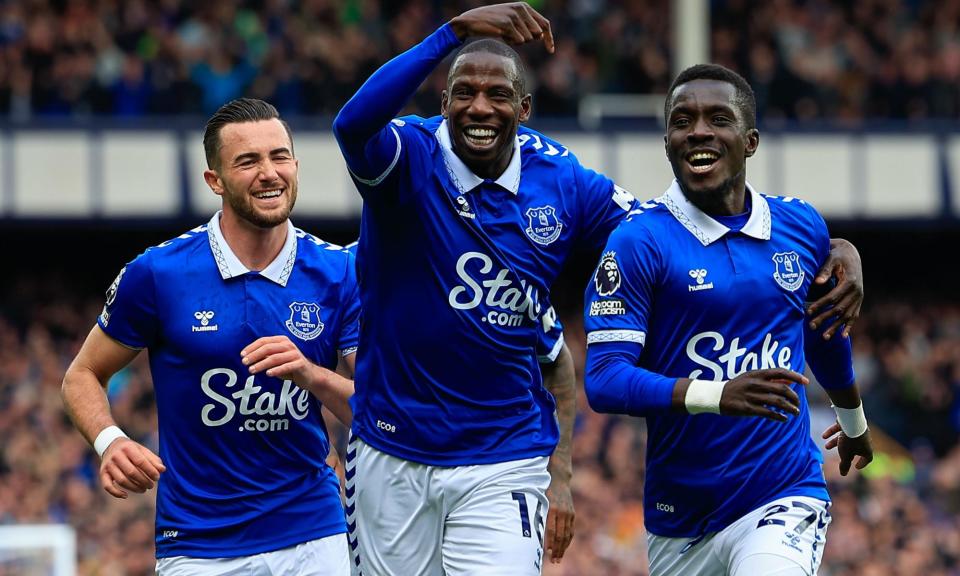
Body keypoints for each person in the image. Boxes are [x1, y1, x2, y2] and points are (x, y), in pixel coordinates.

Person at [332, 3, 864, 574]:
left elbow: (666, 229)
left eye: (497, 94)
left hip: (505, 451)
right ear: (443, 105)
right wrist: (450, 34)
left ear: (525, 109)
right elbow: (352, 125)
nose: (479, 107)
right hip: (392, 440)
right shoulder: (409, 157)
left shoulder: (564, 182)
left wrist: (834, 249)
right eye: (463, 93)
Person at [583, 64, 874, 576]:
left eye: (719, 118)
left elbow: (822, 331)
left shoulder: (800, 224)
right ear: (668, 140)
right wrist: (718, 394)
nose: (698, 131)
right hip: (682, 520)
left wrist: (854, 421)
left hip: (784, 491)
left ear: (751, 140)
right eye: (683, 120)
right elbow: (605, 380)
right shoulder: (638, 242)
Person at [61, 98, 358, 575]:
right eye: (248, 161)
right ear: (214, 181)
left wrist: (310, 374)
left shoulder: (339, 271)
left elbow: (375, 410)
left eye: (279, 156)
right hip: (197, 543)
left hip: (313, 532)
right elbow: (81, 375)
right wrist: (110, 440)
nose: (269, 173)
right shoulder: (158, 273)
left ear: (297, 165)